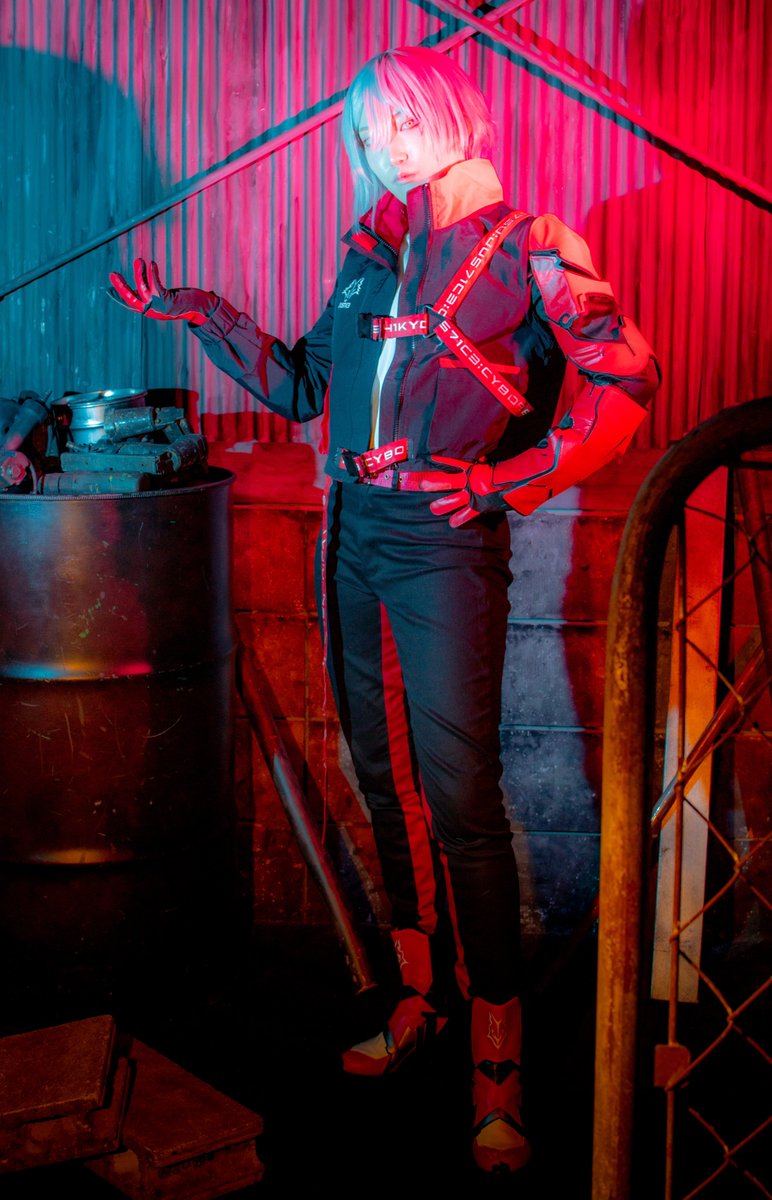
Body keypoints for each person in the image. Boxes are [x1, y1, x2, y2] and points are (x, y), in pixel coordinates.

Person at [109, 44, 660, 1175]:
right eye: (366, 130)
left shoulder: (536, 245)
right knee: (383, 778)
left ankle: (498, 1065)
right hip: (351, 532)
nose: (382, 144)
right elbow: (304, 388)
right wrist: (198, 310)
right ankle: (420, 997)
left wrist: (507, 481)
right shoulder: (372, 251)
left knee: (461, 798)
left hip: (443, 543)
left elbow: (625, 386)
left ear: (449, 112)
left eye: (398, 118)